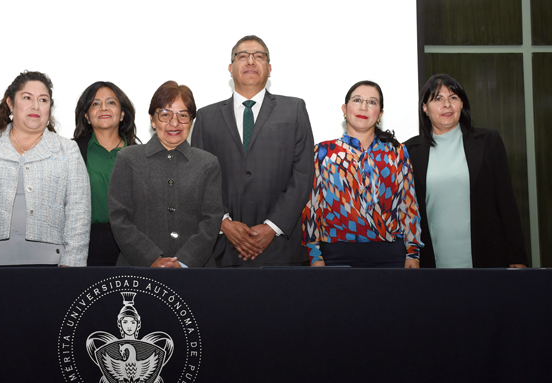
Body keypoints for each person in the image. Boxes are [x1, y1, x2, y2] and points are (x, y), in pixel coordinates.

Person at [191, 35, 314, 267]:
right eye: (242, 56)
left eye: (258, 56)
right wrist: (223, 223)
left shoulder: (294, 109)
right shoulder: (206, 117)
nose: (250, 61)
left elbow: (303, 175)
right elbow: (198, 179)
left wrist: (272, 227)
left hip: (281, 249)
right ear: (230, 68)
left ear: (269, 68)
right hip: (222, 249)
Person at [0, 71, 91, 268]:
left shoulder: (67, 150)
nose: (35, 106)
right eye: (27, 98)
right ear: (10, 103)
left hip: (52, 266)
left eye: (43, 100)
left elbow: (79, 212)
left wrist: (73, 265)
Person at [405, 74, 527, 268]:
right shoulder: (409, 151)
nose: (447, 105)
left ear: (462, 104)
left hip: (487, 258)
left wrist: (517, 257)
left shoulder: (488, 141)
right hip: (431, 260)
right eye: (438, 98)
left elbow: (506, 202)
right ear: (425, 108)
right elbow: (406, 212)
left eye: (453, 97)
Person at [302, 81, 422, 268]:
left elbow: (409, 204)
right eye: (357, 100)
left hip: (391, 256)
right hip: (335, 256)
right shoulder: (323, 152)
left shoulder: (397, 152)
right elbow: (311, 207)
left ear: (380, 114)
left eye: (372, 102)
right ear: (345, 109)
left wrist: (413, 253)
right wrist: (314, 255)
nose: (364, 107)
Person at [108, 81, 223, 267]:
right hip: (138, 269)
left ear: (191, 121)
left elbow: (211, 221)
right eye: (165, 114)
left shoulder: (208, 163)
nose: (174, 123)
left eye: (183, 115)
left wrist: (184, 261)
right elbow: (119, 219)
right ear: (152, 120)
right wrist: (152, 258)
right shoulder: (128, 159)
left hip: (196, 271)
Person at [73, 82, 138, 266]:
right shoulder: (72, 152)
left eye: (111, 102)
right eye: (95, 103)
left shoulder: (141, 155)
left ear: (122, 114)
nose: (103, 108)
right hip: (86, 244)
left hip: (134, 245)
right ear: (86, 116)